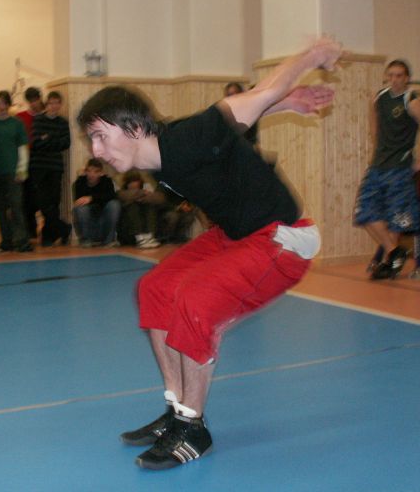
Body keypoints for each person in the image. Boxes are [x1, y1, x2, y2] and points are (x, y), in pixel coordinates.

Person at [76, 37, 340, 470]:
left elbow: (260, 92)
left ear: (134, 128)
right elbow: (242, 118)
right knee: (155, 289)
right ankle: (176, 409)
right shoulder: (162, 151)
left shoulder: (187, 140)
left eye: (101, 137)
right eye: (92, 140)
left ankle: (192, 428)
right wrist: (288, 104)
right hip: (236, 234)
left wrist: (313, 55)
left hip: (282, 238)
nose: (96, 151)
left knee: (195, 301)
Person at [353, 59, 420, 279]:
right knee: (363, 212)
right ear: (386, 76)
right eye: (391, 75)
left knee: (396, 219)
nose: (394, 80)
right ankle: (394, 251)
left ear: (407, 78)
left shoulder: (412, 101)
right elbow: (374, 127)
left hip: (400, 169)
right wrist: (379, 150)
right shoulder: (378, 98)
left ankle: (389, 262)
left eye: (399, 76)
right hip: (378, 166)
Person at [0, 90, 33, 252]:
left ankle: (22, 240)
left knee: (16, 206)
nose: (1, 106)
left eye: (4, 103)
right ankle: (6, 240)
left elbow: (23, 147)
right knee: (0, 208)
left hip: (13, 171)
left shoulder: (16, 123)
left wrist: (22, 169)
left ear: (8, 105)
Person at [30, 90, 72, 246]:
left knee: (54, 202)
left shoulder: (63, 123)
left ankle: (48, 236)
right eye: (51, 103)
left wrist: (47, 138)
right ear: (46, 104)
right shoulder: (38, 120)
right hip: (39, 167)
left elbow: (65, 143)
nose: (54, 106)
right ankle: (64, 228)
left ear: (60, 105)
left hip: (55, 167)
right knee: (42, 202)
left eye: (57, 103)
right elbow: (36, 143)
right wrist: (52, 140)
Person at [17, 86, 45, 239]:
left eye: (36, 100)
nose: (34, 103)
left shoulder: (45, 116)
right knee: (27, 197)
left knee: (41, 196)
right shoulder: (21, 117)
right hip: (26, 159)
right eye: (31, 101)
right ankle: (30, 229)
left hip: (41, 159)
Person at [72, 158, 120, 247]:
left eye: (96, 172)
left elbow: (111, 196)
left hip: (103, 218)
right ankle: (86, 240)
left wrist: (91, 198)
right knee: (80, 208)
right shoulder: (80, 182)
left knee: (114, 205)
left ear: (101, 173)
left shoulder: (106, 181)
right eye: (89, 171)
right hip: (88, 221)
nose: (92, 174)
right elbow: (79, 200)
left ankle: (109, 240)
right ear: (85, 172)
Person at [117, 170, 163, 248]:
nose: (133, 184)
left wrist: (143, 199)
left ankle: (149, 236)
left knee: (149, 204)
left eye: (135, 181)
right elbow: (123, 196)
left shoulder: (147, 187)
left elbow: (160, 198)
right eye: (131, 181)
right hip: (129, 229)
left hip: (145, 225)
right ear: (126, 183)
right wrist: (142, 193)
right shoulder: (121, 191)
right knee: (132, 205)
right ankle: (139, 238)